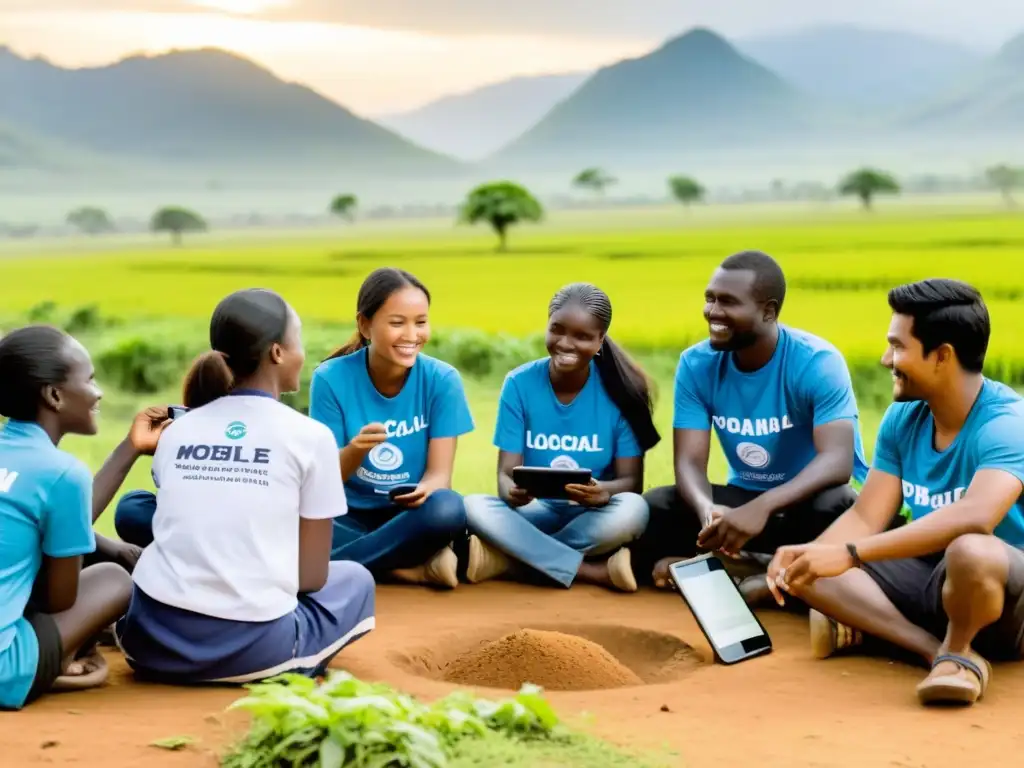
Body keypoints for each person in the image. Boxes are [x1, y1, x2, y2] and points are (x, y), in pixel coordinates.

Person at [767, 278, 1024, 707]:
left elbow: (978, 515)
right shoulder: (903, 418)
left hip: (1004, 597)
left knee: (970, 550)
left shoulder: (1005, 423)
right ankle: (936, 652)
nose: (887, 359)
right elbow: (867, 517)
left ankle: (957, 646)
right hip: (932, 578)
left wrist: (850, 554)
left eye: (898, 346)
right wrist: (812, 557)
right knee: (812, 571)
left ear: (942, 356)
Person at [113, 288, 375, 684]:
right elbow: (311, 580)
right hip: (251, 648)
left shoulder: (177, 430)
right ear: (277, 352)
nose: (302, 353)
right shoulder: (310, 437)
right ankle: (286, 660)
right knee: (355, 580)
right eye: (298, 339)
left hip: (149, 642)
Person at [631, 250, 871, 602]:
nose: (712, 312)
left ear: (768, 311)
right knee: (657, 506)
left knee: (839, 504)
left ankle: (745, 568)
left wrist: (763, 508)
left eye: (728, 302)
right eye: (710, 299)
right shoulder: (697, 364)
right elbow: (689, 462)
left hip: (802, 504)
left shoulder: (817, 362)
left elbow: (837, 461)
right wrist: (707, 512)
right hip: (740, 504)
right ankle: (765, 571)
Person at [463, 283, 659, 592]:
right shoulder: (519, 383)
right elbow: (504, 474)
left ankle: (512, 560)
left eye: (582, 336)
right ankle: (588, 571)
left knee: (634, 509)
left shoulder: (622, 392)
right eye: (558, 330)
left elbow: (630, 484)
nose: (566, 343)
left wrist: (602, 492)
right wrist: (511, 491)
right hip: (534, 511)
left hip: (591, 516)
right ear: (548, 326)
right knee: (474, 506)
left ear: (599, 341)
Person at [0, 325, 153, 709]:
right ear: (53, 395)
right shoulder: (63, 473)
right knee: (113, 578)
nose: (98, 392)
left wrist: (107, 543)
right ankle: (60, 663)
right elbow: (59, 599)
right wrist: (111, 554)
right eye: (90, 380)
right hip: (5, 668)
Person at [308, 267, 473, 589]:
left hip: (408, 516)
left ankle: (323, 569)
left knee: (449, 508)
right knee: (292, 513)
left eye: (420, 322)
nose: (412, 335)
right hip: (346, 513)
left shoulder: (442, 380)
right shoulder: (330, 378)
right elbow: (325, 479)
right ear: (365, 325)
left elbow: (440, 476)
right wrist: (356, 450)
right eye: (397, 323)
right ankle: (405, 568)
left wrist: (426, 489)